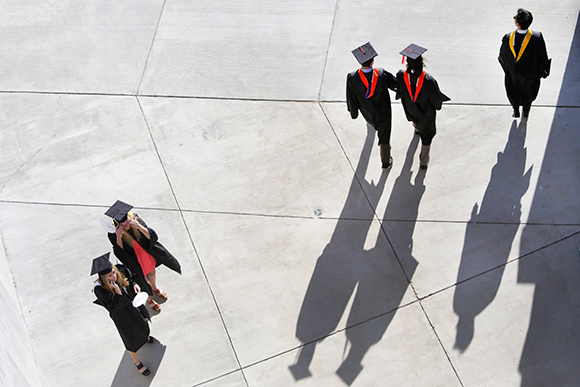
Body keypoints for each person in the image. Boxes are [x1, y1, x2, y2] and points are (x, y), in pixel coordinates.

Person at [105, 200, 181, 312]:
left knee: (152, 272)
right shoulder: (112, 233)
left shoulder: (134, 218)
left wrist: (139, 227)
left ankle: (154, 289)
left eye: (127, 222)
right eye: (123, 225)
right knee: (142, 280)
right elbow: (120, 253)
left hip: (144, 254)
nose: (126, 226)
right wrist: (118, 237)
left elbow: (151, 237)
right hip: (133, 260)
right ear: (117, 224)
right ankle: (149, 299)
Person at [91, 253, 156, 376]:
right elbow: (112, 307)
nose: (114, 276)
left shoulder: (118, 270)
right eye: (110, 275)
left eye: (114, 272)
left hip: (132, 305)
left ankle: (145, 338)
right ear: (104, 277)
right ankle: (137, 362)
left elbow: (130, 276)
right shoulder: (100, 290)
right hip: (121, 314)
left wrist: (134, 284)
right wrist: (116, 291)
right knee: (130, 337)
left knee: (142, 322)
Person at [396, 44, 450, 170]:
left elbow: (399, 91)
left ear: (407, 63)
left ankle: (416, 128)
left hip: (410, 109)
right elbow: (436, 101)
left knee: (415, 120)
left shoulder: (401, 75)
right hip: (426, 114)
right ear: (422, 62)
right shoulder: (429, 81)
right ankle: (423, 162)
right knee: (427, 137)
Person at [347, 42, 398, 170]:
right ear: (372, 61)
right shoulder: (381, 74)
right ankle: (385, 162)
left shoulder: (352, 77)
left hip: (367, 112)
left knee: (373, 124)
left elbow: (351, 97)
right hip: (384, 111)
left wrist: (354, 113)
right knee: (385, 135)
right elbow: (395, 85)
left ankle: (373, 126)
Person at [498, 8, 551, 118]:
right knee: (528, 95)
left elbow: (502, 56)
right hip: (530, 75)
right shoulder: (537, 37)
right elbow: (543, 55)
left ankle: (515, 109)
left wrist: (509, 70)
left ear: (516, 23)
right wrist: (542, 72)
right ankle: (526, 111)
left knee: (513, 93)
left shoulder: (508, 38)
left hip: (513, 75)